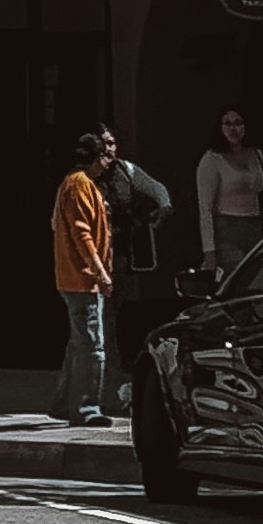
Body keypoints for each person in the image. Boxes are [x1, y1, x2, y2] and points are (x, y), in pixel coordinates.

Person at [92, 123, 173, 406]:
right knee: (101, 321)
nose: (110, 149)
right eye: (104, 144)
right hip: (95, 256)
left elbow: (156, 188)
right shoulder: (84, 178)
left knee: (111, 316)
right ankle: (106, 383)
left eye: (112, 142)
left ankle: (109, 383)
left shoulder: (126, 170)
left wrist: (163, 208)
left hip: (120, 255)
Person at [50, 132, 114, 424]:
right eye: (104, 155)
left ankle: (64, 403)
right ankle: (86, 408)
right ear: (95, 158)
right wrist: (100, 272)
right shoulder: (79, 185)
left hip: (77, 277)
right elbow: (82, 233)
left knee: (78, 344)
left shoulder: (75, 184)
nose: (108, 161)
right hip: (82, 279)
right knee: (92, 345)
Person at [196, 106, 263, 274]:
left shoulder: (257, 154)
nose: (233, 129)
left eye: (238, 123)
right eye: (227, 123)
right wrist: (209, 252)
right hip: (227, 231)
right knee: (238, 277)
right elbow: (205, 209)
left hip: (255, 227)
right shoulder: (212, 160)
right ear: (220, 127)